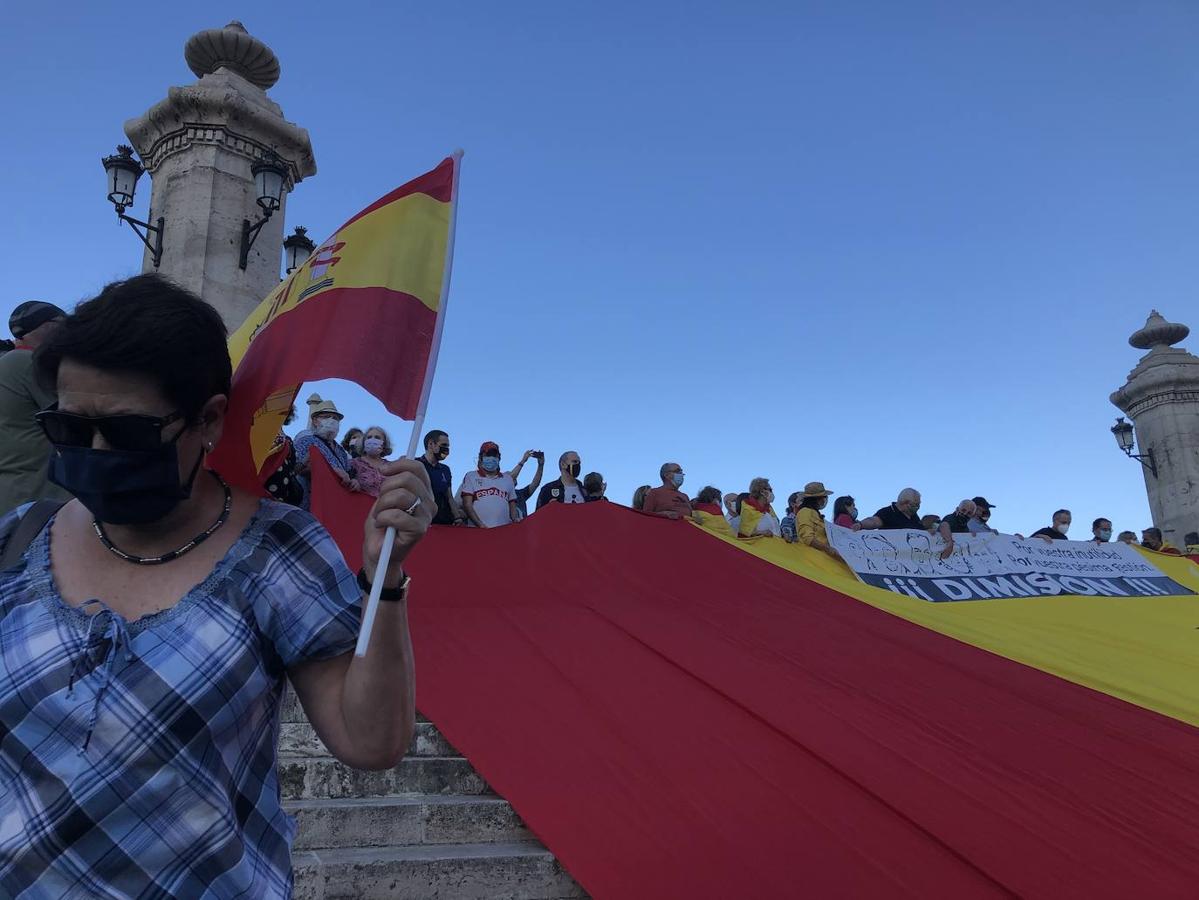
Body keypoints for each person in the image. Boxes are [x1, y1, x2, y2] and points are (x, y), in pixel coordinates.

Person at [1, 274, 428, 896]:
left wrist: (385, 582)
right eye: (68, 429)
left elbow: (369, 741)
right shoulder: (18, 541)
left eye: (126, 433)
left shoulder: (280, 551)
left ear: (207, 421)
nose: (93, 450)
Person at [0, 300, 69, 514]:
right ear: (49, 326)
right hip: (39, 500)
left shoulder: (8, 364)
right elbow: (76, 414)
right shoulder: (27, 361)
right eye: (63, 324)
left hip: (14, 496)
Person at [293, 394, 358, 506]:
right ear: (315, 421)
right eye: (326, 416)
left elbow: (349, 473)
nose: (332, 421)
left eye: (335, 418)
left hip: (336, 503)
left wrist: (355, 482)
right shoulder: (305, 438)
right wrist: (332, 471)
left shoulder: (341, 451)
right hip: (309, 501)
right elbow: (299, 467)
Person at [861, 488, 954, 560]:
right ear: (905, 503)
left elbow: (943, 525)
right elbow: (873, 521)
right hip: (893, 557)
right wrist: (860, 525)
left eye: (919, 504)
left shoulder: (914, 517)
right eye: (916, 504)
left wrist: (928, 533)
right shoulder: (887, 512)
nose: (918, 507)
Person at [461, 441, 518, 528]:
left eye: (494, 455)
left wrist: (515, 521)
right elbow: (467, 504)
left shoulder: (508, 479)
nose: (491, 458)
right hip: (478, 532)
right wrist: (480, 524)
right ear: (481, 457)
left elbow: (512, 505)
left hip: (504, 532)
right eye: (488, 455)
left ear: (499, 458)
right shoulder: (471, 476)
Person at [416, 429, 463, 526]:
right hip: (422, 521)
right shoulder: (415, 464)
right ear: (431, 444)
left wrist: (457, 517)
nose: (446, 449)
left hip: (444, 522)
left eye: (448, 446)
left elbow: (449, 497)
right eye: (444, 445)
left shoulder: (445, 470)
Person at [263, 405, 304, 506]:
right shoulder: (257, 433)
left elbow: (292, 468)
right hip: (261, 491)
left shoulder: (287, 440)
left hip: (283, 495)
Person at [792, 482, 840, 559]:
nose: (825, 500)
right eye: (823, 497)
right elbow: (807, 538)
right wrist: (827, 548)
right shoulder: (805, 512)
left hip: (825, 559)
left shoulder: (815, 513)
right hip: (814, 559)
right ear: (816, 499)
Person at [351, 425, 393, 498]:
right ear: (364, 442)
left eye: (377, 437)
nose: (372, 440)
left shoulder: (391, 466)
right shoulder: (353, 463)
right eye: (369, 437)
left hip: (385, 507)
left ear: (384, 444)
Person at [508, 449, 546, 520]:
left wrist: (540, 465)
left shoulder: (520, 494)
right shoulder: (500, 495)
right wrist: (523, 461)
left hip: (522, 529)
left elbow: (535, 483)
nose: (515, 477)